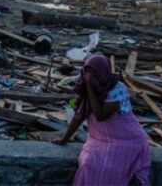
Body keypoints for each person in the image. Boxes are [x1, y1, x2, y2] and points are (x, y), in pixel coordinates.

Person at [53, 54, 151, 185]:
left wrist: (90, 89)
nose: (90, 76)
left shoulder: (117, 89)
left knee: (109, 169)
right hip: (100, 140)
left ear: (103, 72)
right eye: (87, 72)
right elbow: (79, 116)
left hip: (126, 141)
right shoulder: (84, 86)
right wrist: (64, 139)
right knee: (87, 164)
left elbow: (100, 115)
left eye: (94, 73)